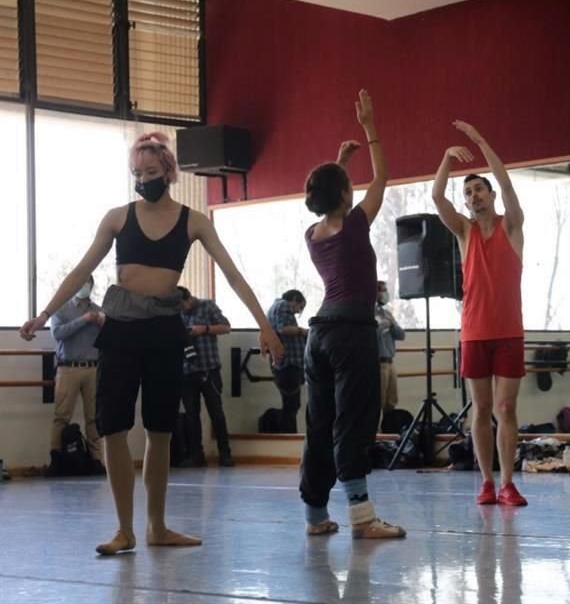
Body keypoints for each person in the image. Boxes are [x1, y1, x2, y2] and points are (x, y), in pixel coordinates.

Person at [19, 131, 283, 556]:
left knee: (160, 430)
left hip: (163, 329)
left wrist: (264, 326)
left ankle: (157, 525)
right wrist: (43, 314)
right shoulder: (117, 218)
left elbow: (233, 274)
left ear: (169, 173)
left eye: (151, 172)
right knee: (113, 427)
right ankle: (125, 529)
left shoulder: (193, 220)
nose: (143, 179)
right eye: (136, 173)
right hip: (121, 327)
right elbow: (79, 268)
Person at [299, 89, 405, 539]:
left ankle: (315, 517)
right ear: (345, 195)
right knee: (354, 423)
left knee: (319, 425)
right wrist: (370, 127)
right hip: (350, 331)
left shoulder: (313, 232)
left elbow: (329, 196)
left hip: (318, 336)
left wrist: (339, 162)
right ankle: (362, 518)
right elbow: (382, 175)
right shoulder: (356, 222)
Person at [432, 120, 527, 507]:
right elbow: (438, 198)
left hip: (508, 331)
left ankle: (507, 483)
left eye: (478, 189)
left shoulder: (513, 225)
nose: (474, 196)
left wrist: (481, 141)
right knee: (482, 407)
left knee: (506, 408)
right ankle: (486, 482)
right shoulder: (464, 232)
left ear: (489, 195)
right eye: (468, 192)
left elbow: (507, 184)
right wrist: (445, 159)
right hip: (474, 332)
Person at [48, 275, 105, 475]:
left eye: (88, 283)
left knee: (94, 417)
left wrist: (103, 325)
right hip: (68, 367)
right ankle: (56, 459)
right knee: (61, 416)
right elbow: (57, 333)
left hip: (93, 368)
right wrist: (83, 320)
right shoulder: (61, 309)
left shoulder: (98, 310)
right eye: (81, 283)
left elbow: (110, 339)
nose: (85, 287)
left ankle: (97, 459)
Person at [178, 286, 234, 467]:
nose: (180, 310)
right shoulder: (174, 312)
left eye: (181, 306)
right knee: (191, 415)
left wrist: (205, 329)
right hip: (185, 371)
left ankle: (225, 454)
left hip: (209, 369)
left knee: (216, 413)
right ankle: (196, 455)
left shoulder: (208, 306)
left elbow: (226, 327)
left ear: (188, 299)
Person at [267, 290, 309, 433]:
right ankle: (289, 437)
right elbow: (283, 328)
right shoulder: (284, 305)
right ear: (295, 299)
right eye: (300, 307)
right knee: (292, 406)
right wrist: (303, 332)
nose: (298, 312)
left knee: (290, 405)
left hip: (284, 365)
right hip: (288, 364)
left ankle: (287, 435)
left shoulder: (274, 307)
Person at [375, 280, 405, 416]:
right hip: (377, 362)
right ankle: (376, 434)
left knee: (391, 400)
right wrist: (381, 326)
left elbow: (401, 335)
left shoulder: (387, 313)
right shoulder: (366, 312)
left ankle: (388, 431)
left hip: (390, 361)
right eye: (382, 290)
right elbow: (370, 335)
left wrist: (392, 325)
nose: (385, 294)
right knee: (377, 401)